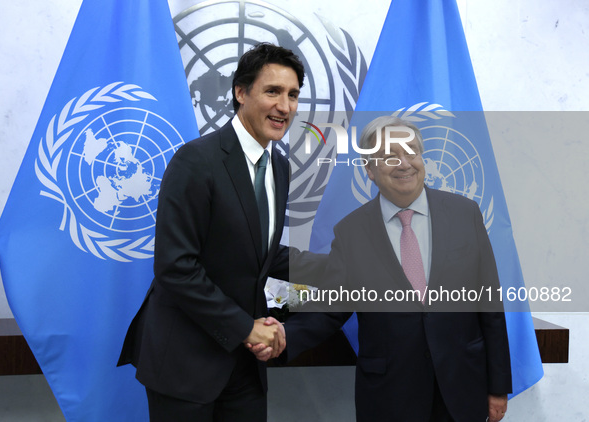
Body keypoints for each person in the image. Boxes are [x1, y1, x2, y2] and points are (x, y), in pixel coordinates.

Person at [253, 116, 512, 422]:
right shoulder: (351, 232)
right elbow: (332, 307)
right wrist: (283, 335)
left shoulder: (464, 213)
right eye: (390, 156)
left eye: (411, 151)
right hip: (389, 396)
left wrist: (497, 388)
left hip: (461, 387)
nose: (404, 163)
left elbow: (490, 305)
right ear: (370, 169)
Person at [118, 42, 323, 422]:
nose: (285, 106)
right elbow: (176, 267)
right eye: (273, 91)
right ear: (240, 93)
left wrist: (338, 266)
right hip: (185, 364)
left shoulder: (278, 165)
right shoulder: (196, 161)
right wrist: (247, 328)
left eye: (293, 95)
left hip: (245, 365)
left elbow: (258, 255)